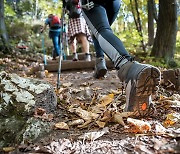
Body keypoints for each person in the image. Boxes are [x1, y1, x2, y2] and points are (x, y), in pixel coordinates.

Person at [74, 0, 161, 117]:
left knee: (101, 30)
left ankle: (128, 69)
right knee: (100, 30)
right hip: (115, 3)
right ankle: (100, 63)